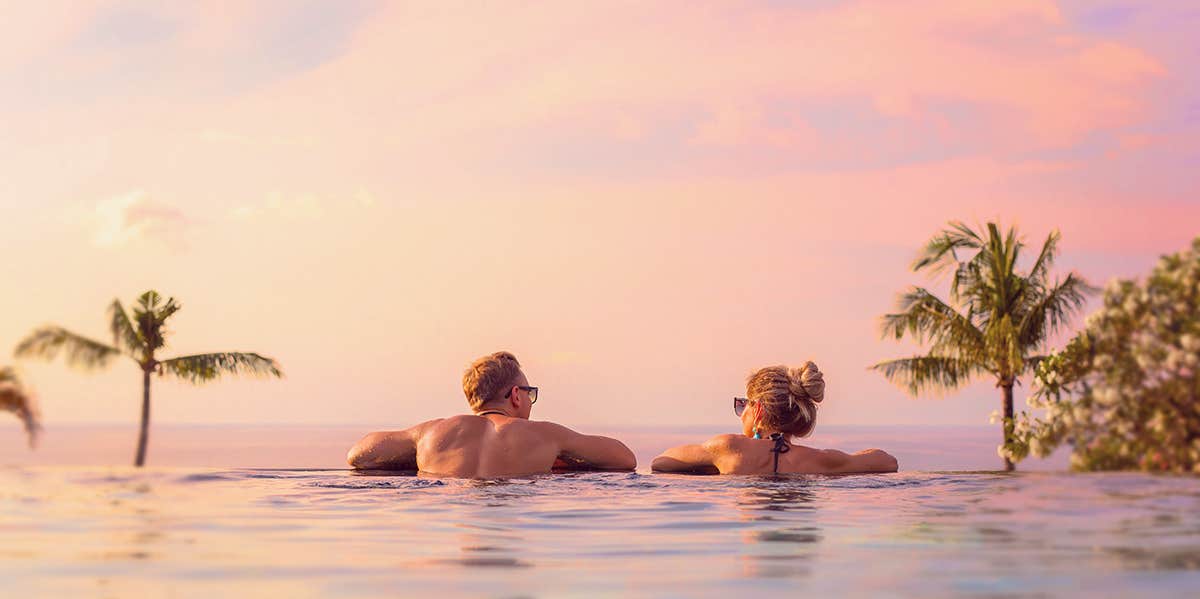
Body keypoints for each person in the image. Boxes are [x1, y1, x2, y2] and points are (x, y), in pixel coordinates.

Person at [347, 351, 636, 477]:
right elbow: (625, 459)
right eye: (529, 393)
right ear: (514, 395)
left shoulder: (430, 433)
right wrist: (566, 457)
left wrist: (418, 455)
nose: (530, 402)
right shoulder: (545, 435)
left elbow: (358, 455)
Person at [651, 362, 898, 475]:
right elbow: (887, 462)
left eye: (743, 406)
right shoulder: (822, 461)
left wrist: (710, 465)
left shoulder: (728, 448)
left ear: (757, 410)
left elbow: (661, 462)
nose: (742, 414)